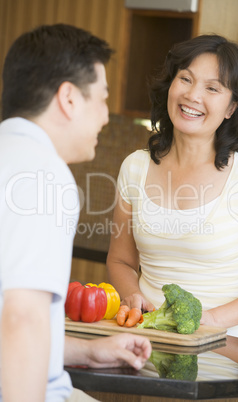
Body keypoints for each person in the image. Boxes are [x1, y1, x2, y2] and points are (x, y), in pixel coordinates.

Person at [0, 24, 151, 402]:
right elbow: (21, 320)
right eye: (102, 99)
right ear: (68, 98)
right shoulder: (44, 174)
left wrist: (86, 352)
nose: (105, 116)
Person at [107, 34, 238, 342]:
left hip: (224, 346)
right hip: (146, 340)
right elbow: (121, 261)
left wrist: (208, 321)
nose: (193, 95)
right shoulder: (135, 168)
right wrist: (132, 296)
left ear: (232, 107)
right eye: (185, 79)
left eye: (212, 88)